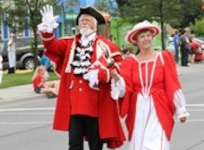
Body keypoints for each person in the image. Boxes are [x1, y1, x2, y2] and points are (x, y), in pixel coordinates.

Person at [37, 5, 125, 150]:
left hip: (95, 105)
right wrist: (48, 29)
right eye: (81, 20)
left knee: (95, 145)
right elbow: (51, 46)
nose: (84, 22)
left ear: (95, 25)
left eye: (88, 20)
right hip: (74, 105)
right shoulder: (69, 44)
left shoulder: (105, 46)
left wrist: (103, 73)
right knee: (74, 145)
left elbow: (120, 68)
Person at [110, 20, 189, 150]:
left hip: (160, 106)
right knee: (140, 144)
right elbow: (126, 88)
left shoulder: (163, 57)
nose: (146, 39)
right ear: (136, 41)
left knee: (157, 145)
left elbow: (172, 84)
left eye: (148, 35)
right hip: (138, 108)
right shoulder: (130, 62)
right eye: (142, 36)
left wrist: (181, 109)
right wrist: (118, 80)